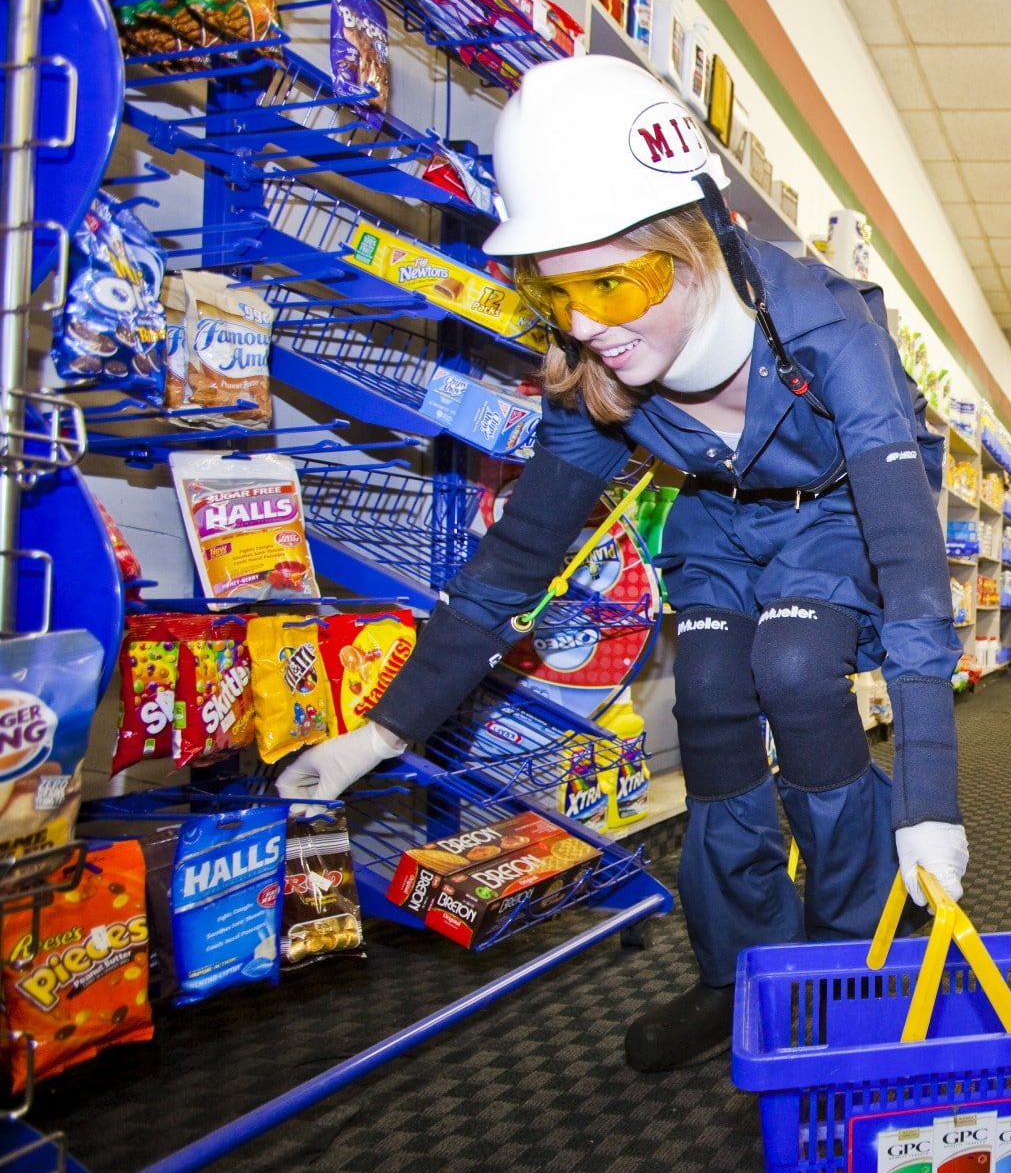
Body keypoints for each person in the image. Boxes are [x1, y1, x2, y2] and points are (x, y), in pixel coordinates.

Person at [277, 55, 969, 1069]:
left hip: (833, 521)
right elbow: (514, 561)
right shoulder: (604, 376)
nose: (590, 323)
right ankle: (738, 974)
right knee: (714, 711)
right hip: (719, 530)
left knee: (795, 672)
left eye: (615, 281)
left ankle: (848, 954)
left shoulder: (827, 330)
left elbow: (910, 574)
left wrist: (931, 800)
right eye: (556, 292)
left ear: (694, 240)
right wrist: (378, 734)